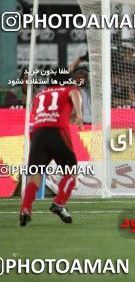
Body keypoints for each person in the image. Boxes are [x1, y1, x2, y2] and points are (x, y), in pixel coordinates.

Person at [19, 71, 83, 226]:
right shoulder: (69, 89)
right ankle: (59, 203)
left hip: (38, 134)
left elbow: (39, 114)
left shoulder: (40, 94)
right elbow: (74, 93)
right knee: (71, 171)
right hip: (57, 132)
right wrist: (79, 114)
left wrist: (68, 114)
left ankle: (25, 208)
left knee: (34, 175)